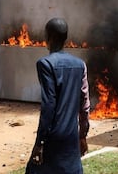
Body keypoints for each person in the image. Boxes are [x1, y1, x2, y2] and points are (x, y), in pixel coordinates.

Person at [25, 18, 90, 174]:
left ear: (49, 37)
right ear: (65, 38)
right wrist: (82, 135)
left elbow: (49, 105)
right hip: (71, 135)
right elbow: (85, 103)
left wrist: (40, 142)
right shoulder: (80, 64)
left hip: (53, 136)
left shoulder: (45, 64)